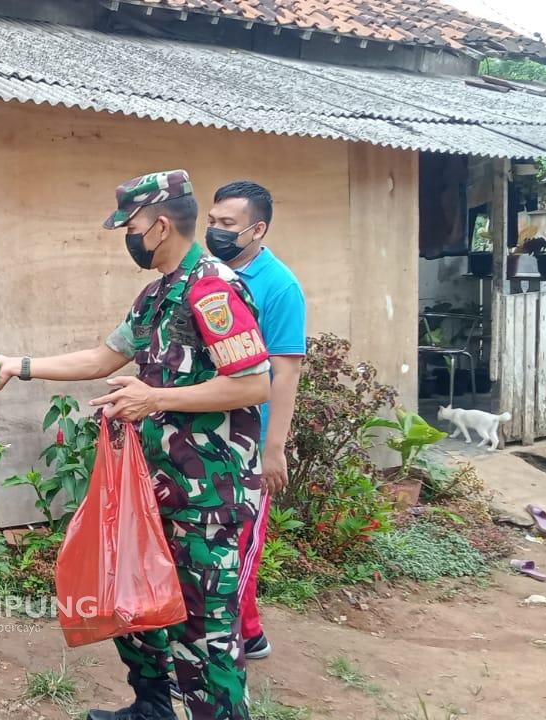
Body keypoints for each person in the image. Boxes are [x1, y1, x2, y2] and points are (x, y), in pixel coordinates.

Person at [0, 170, 270, 720]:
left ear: (160, 225)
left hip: (208, 493)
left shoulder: (212, 288)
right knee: (138, 604)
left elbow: (254, 381)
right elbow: (103, 358)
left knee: (203, 627)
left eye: (131, 225)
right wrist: (16, 366)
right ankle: (154, 708)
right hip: (156, 487)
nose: (128, 235)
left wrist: (153, 398)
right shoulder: (158, 292)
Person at [205, 180, 306, 662]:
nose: (216, 231)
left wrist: (274, 448)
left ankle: (241, 637)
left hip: (250, 438)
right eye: (212, 221)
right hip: (207, 433)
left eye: (227, 224)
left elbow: (285, 370)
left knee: (242, 541)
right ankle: (239, 630)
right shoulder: (210, 275)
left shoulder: (279, 286)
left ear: (256, 229)